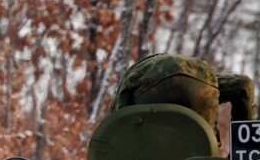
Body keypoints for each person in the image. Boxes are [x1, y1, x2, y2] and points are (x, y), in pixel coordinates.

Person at [108, 53, 256, 131]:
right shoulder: (200, 74)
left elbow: (116, 122)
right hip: (201, 83)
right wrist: (242, 152)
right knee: (205, 149)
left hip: (150, 86)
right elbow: (243, 85)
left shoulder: (135, 74)